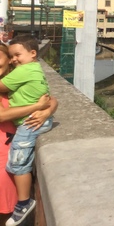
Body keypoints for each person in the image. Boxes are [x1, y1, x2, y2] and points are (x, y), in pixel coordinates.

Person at [0, 36, 55, 226]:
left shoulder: (21, 75)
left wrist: (47, 108)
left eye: (16, 55)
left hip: (21, 133)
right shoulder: (26, 72)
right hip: (13, 142)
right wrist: (40, 107)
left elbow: (50, 99)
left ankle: (23, 203)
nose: (15, 59)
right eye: (12, 55)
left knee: (17, 165)